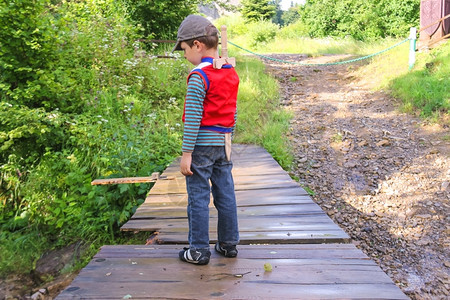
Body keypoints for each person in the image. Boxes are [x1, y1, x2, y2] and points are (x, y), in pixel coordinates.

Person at [172, 15, 240, 265]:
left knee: (199, 196)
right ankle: (228, 243)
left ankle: (199, 250)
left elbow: (192, 118)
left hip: (201, 145)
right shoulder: (230, 72)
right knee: (226, 193)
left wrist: (186, 153)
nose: (185, 54)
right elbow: (232, 111)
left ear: (198, 45)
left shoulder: (199, 76)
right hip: (224, 143)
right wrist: (228, 136)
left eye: (184, 49)